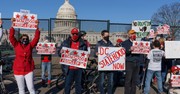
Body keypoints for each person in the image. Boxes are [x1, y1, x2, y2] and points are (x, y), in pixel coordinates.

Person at [9, 18, 40, 94]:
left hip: (28, 70)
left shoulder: (30, 45)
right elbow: (11, 37)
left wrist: (37, 27)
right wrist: (12, 25)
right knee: (21, 89)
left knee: (31, 88)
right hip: (18, 70)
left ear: (28, 40)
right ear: (20, 39)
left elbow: (36, 38)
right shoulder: (16, 45)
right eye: (23, 38)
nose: (25, 40)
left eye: (26, 39)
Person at [58, 28, 88, 94]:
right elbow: (59, 53)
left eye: (76, 34)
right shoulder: (65, 42)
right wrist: (60, 52)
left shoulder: (82, 43)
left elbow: (85, 53)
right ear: (70, 34)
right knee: (67, 85)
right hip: (69, 68)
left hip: (78, 68)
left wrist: (86, 56)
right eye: (73, 34)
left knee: (78, 85)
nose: (74, 35)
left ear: (78, 34)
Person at [95, 30, 114, 94]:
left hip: (110, 65)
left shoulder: (110, 43)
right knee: (102, 81)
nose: (107, 36)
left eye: (108, 35)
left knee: (110, 81)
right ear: (102, 35)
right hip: (102, 65)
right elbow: (95, 53)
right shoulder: (99, 43)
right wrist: (96, 53)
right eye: (106, 35)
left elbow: (114, 52)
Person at [121, 29, 140, 94]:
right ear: (129, 35)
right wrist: (129, 49)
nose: (133, 35)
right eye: (132, 34)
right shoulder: (125, 43)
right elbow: (123, 52)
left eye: (134, 34)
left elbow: (141, 53)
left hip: (137, 62)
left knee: (134, 80)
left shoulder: (138, 43)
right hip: (129, 62)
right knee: (128, 80)